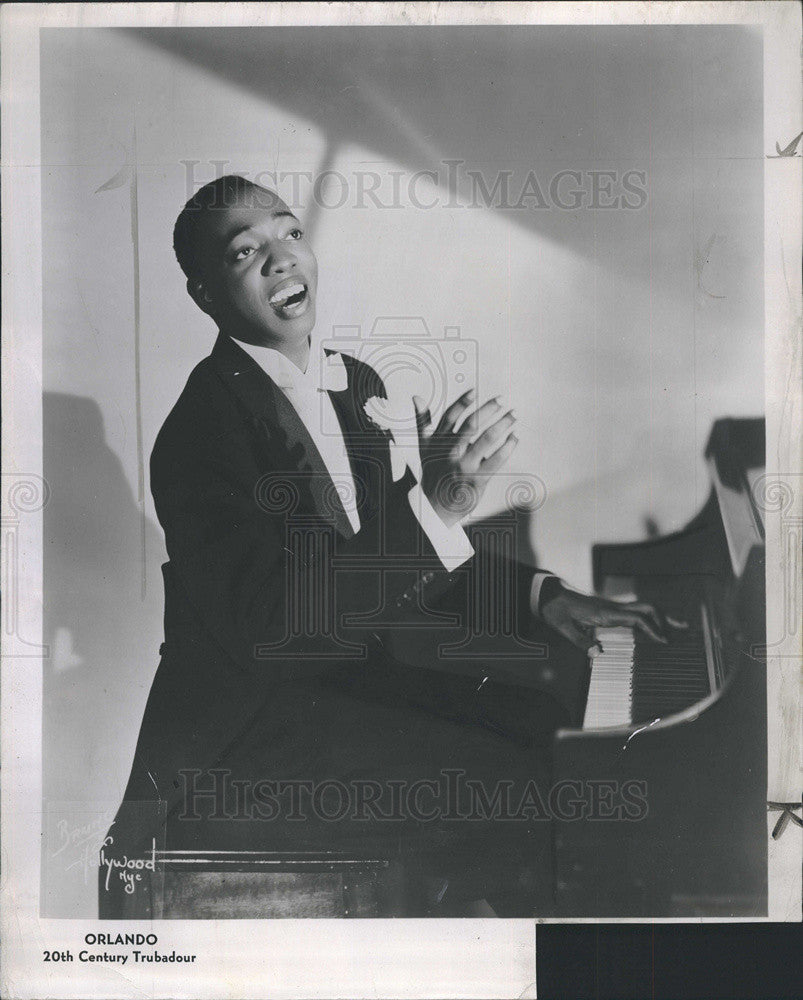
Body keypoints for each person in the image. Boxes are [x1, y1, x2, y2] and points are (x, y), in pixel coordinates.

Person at [104, 175, 676, 916]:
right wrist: (432, 505)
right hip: (247, 741)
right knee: (516, 785)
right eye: (246, 252)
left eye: (290, 233)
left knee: (545, 728)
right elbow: (276, 630)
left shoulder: (356, 385)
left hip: (343, 694)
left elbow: (405, 557)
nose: (281, 259)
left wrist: (546, 598)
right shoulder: (199, 433)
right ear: (204, 293)